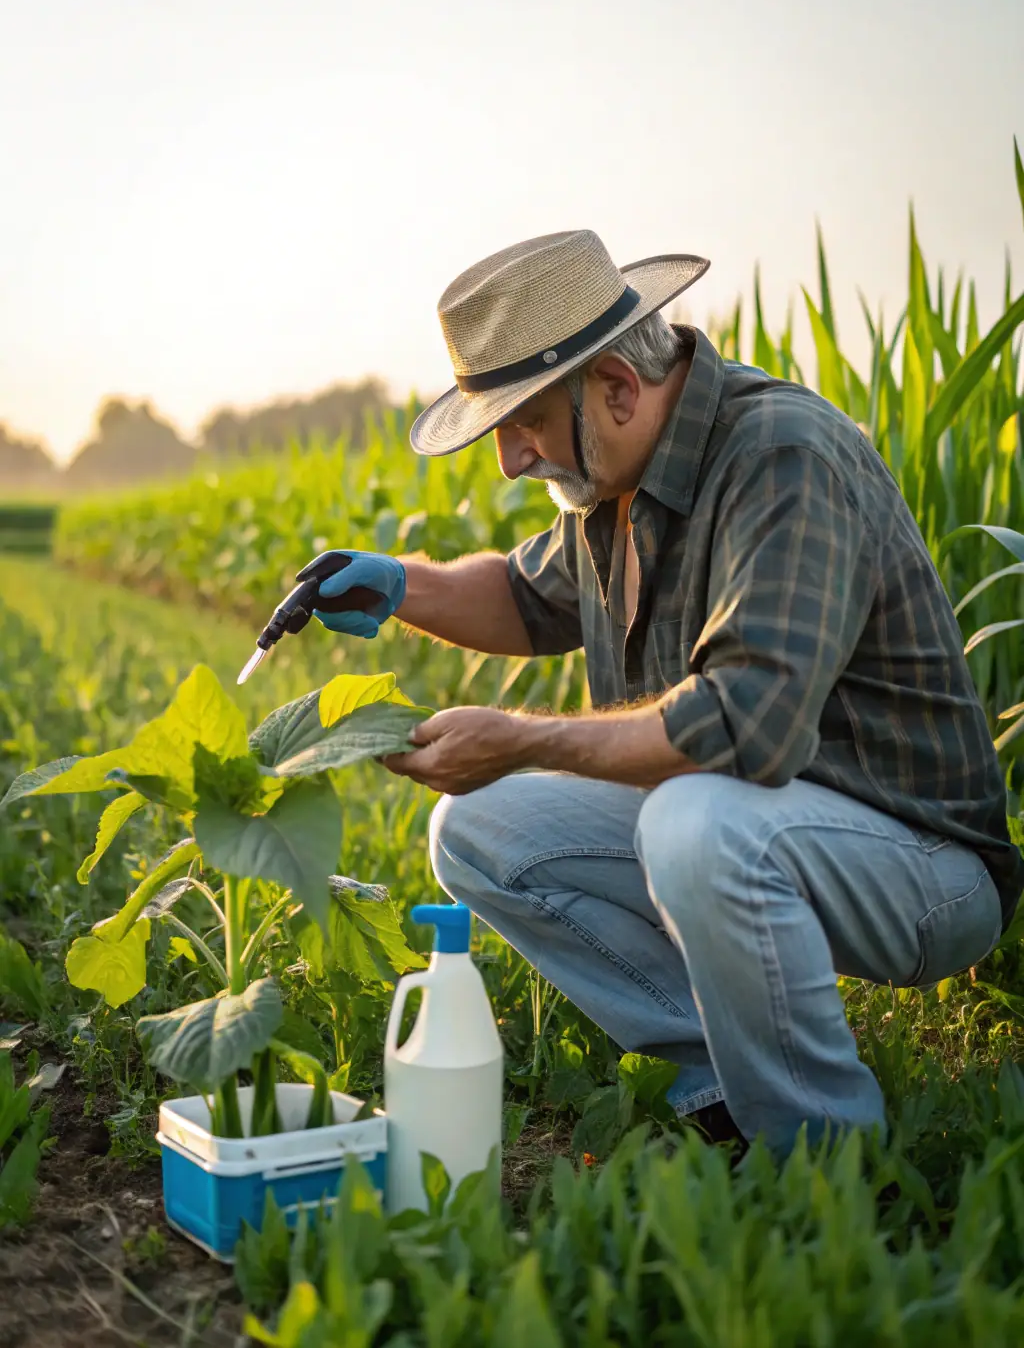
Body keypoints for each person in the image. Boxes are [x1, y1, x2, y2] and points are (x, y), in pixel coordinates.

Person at [311, 229, 1023, 1157]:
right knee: (477, 827)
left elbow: (743, 725)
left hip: (921, 866)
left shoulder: (783, 457)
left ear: (615, 385)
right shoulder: (618, 481)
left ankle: (825, 1155)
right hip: (765, 827)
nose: (512, 461)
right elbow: (527, 601)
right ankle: (727, 1083)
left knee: (692, 820)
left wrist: (523, 739)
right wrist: (397, 583)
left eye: (523, 422)